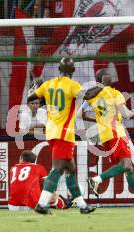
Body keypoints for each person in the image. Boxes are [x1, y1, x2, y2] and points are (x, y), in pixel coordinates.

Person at [28, 57, 95, 215]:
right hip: (64, 133)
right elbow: (87, 97)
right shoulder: (72, 85)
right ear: (73, 71)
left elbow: (30, 99)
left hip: (51, 132)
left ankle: (82, 206)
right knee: (58, 168)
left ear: (59, 69)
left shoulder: (47, 84)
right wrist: (100, 91)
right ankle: (41, 203)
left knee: (70, 168)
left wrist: (37, 92)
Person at [84, 69, 134, 209]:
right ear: (106, 78)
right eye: (109, 76)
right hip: (116, 132)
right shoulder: (115, 93)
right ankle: (95, 180)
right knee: (126, 165)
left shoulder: (93, 96)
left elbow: (80, 114)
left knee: (128, 168)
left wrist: (100, 121)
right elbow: (125, 114)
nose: (111, 77)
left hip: (104, 135)